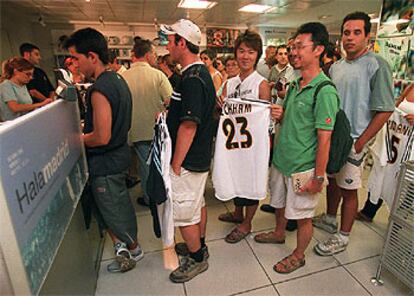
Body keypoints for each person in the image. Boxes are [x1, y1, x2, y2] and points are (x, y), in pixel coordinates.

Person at [255, 22, 339, 274]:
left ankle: (299, 255)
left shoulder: (325, 91)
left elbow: (325, 139)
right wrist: (280, 114)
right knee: (279, 204)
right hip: (282, 160)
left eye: (300, 47)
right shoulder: (294, 84)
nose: (293, 52)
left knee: (303, 217)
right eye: (292, 47)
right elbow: (291, 120)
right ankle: (279, 233)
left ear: (318, 50)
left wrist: (319, 177)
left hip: (303, 167)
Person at [313, 12, 395, 256]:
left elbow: (385, 109)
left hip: (355, 138)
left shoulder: (377, 65)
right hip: (334, 137)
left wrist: (361, 142)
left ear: (367, 36)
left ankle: (343, 236)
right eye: (346, 32)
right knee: (333, 181)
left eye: (357, 32)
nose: (350, 38)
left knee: (349, 188)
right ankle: (329, 217)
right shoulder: (336, 67)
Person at [65, 27, 142, 273]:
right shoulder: (117, 78)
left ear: (92, 56)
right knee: (117, 204)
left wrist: (75, 138)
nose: (73, 64)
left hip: (107, 161)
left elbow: (101, 136)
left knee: (114, 208)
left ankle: (133, 250)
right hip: (118, 156)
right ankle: (126, 246)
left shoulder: (99, 90)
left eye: (76, 58)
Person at [161, 19, 216, 283]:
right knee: (196, 205)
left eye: (170, 41)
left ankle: (196, 259)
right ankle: (200, 244)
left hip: (188, 160)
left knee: (183, 213)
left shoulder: (193, 78)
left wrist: (175, 163)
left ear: (182, 43)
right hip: (198, 157)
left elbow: (189, 126)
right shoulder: (197, 73)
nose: (167, 46)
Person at [216, 30, 271, 243]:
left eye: (251, 52)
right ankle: (237, 213)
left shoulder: (261, 84)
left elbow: (265, 121)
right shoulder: (230, 83)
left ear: (257, 55)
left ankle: (247, 223)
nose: (245, 56)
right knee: (236, 175)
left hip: (253, 145)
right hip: (233, 143)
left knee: (251, 179)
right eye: (241, 51)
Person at [121, 38, 173, 207]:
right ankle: (154, 197)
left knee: (142, 167)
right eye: (154, 54)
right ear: (149, 54)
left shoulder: (122, 77)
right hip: (153, 129)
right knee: (153, 166)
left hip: (131, 131)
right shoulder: (158, 75)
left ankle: (150, 195)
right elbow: (170, 100)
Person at [357, 83, 414, 222]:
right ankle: (369, 211)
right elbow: (396, 106)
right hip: (396, 142)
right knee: (382, 175)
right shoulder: (411, 86)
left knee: (406, 185)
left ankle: (397, 223)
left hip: (410, 151)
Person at [0, 57, 52, 121]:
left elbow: (27, 105)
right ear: (16, 71)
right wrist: (41, 104)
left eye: (31, 75)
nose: (30, 77)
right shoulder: (6, 85)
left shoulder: (23, 85)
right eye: (28, 74)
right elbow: (15, 107)